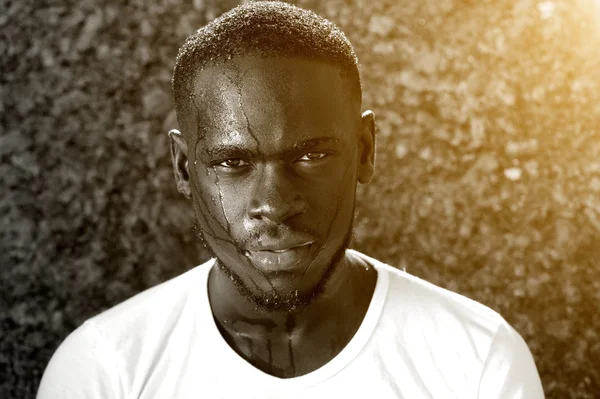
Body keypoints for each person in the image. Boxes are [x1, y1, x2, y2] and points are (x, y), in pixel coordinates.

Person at [37, 2, 545, 398]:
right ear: (182, 168)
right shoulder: (105, 370)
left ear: (365, 151)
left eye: (311, 156)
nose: (275, 204)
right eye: (232, 164)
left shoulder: (476, 362)